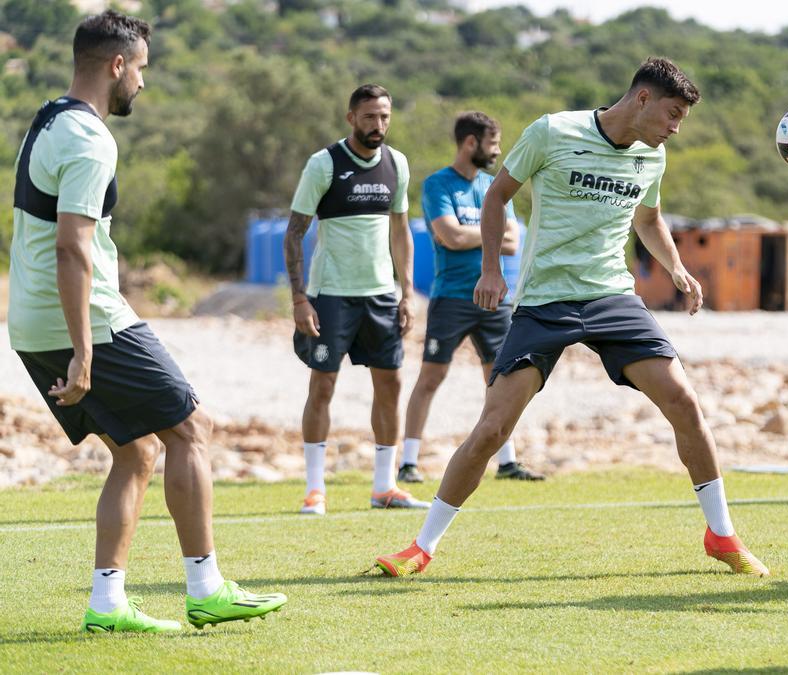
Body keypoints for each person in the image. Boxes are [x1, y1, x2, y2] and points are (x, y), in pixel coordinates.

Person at [374, 57, 769, 579]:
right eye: (673, 115)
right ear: (643, 99)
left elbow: (647, 219)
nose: (675, 128)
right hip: (545, 301)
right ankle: (421, 548)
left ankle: (721, 536)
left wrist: (675, 267)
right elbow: (497, 197)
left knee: (684, 401)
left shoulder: (653, 157)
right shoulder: (553, 131)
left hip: (612, 299)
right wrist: (490, 270)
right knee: (493, 429)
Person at [9, 10, 286, 633]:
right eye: (140, 69)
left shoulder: (49, 117)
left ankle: (107, 605)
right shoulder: (90, 139)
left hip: (30, 322)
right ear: (116, 65)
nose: (142, 82)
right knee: (192, 427)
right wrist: (83, 352)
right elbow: (72, 248)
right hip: (86, 322)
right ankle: (206, 588)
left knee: (137, 452)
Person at [285, 84, 429, 515]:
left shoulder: (397, 163)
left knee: (391, 385)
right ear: (351, 118)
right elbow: (294, 233)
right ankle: (315, 489)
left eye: (384, 116)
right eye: (369, 117)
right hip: (330, 296)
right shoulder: (323, 164)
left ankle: (384, 487)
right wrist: (299, 299)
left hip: (382, 297)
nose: (378, 125)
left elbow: (400, 230)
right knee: (322, 385)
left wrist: (407, 291)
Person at [397, 112, 544, 484]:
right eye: (492, 145)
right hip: (451, 298)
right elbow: (450, 237)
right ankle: (408, 462)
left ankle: (507, 462)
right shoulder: (437, 185)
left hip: (496, 300)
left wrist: (472, 232)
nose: (497, 152)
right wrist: (487, 230)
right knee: (430, 377)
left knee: (501, 380)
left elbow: (512, 242)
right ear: (470, 143)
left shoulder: (495, 185)